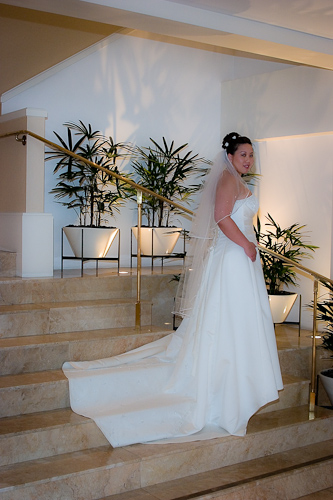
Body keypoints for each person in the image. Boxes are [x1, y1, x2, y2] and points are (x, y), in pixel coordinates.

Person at [63, 132, 283, 447]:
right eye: (244, 154)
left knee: (240, 320)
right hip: (234, 256)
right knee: (229, 318)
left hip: (239, 257)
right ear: (230, 156)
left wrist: (248, 247)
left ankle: (238, 379)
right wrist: (247, 244)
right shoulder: (227, 179)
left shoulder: (235, 179)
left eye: (251, 155)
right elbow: (222, 218)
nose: (249, 160)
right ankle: (226, 384)